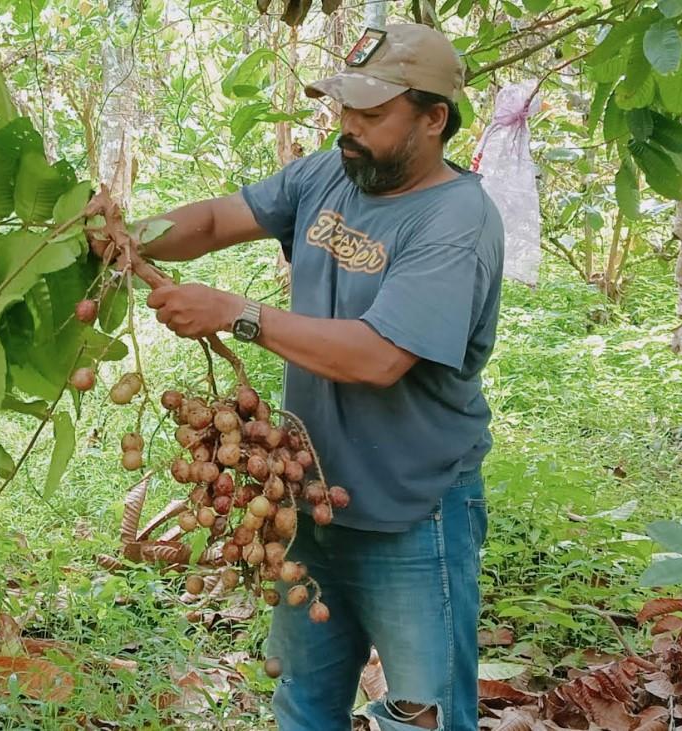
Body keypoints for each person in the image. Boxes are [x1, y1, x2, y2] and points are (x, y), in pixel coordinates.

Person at [138, 23, 504, 731]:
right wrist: (130, 234)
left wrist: (238, 313)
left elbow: (378, 357)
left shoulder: (457, 220)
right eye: (345, 110)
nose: (349, 128)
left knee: (422, 717)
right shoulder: (331, 172)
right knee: (304, 705)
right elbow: (214, 220)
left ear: (434, 119)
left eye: (372, 114)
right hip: (306, 496)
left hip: (411, 509)